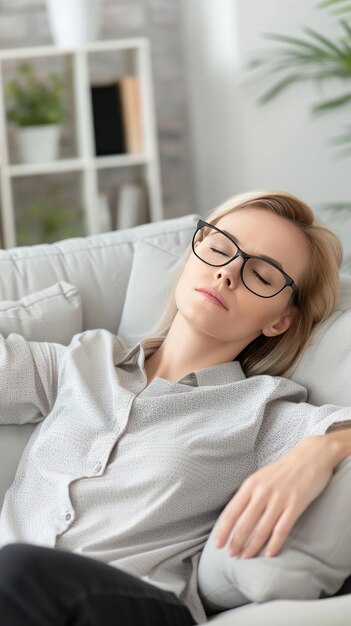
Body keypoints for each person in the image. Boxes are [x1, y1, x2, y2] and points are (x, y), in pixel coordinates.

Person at [0, 190, 351, 626]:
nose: (227, 274)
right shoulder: (82, 361)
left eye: (262, 276)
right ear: (191, 257)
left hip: (137, 607)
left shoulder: (260, 410)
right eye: (220, 249)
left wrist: (322, 451)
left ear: (279, 320)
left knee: (18, 571)